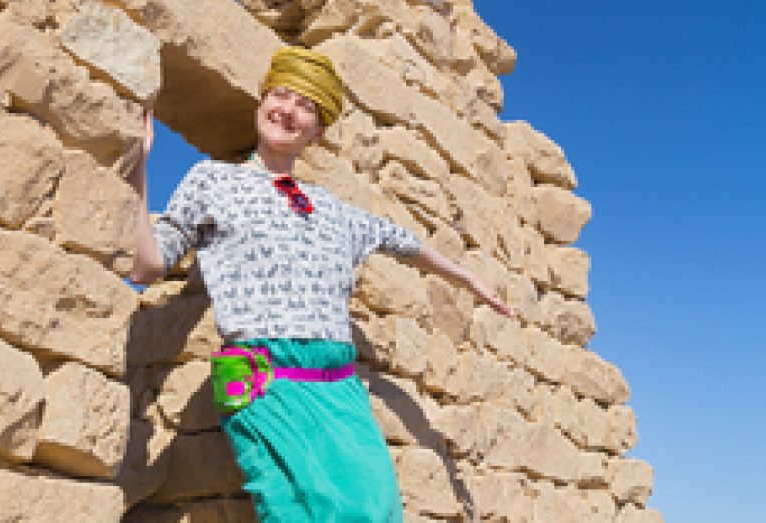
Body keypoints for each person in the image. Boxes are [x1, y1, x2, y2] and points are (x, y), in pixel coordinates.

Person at [130, 46, 515, 522]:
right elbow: (147, 266)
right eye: (280, 95)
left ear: (319, 132)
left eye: (305, 106)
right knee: (301, 513)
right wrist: (138, 167)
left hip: (340, 387)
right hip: (266, 381)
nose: (288, 110)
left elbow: (403, 241)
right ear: (261, 102)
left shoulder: (332, 209)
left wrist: (466, 277)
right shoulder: (212, 181)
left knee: (378, 510)